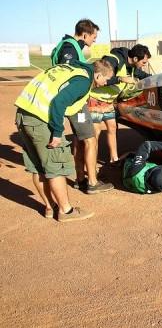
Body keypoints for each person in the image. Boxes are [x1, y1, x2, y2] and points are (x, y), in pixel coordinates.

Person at [14, 59, 115, 222]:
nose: (106, 82)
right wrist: (56, 131)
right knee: (55, 166)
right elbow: (59, 102)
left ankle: (50, 207)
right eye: (106, 79)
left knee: (38, 167)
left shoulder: (69, 69)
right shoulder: (82, 81)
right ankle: (65, 211)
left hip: (24, 113)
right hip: (41, 119)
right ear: (97, 75)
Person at [51, 19, 113, 194]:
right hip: (74, 102)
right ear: (85, 34)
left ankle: (80, 179)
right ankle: (92, 182)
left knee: (80, 139)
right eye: (93, 37)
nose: (94, 40)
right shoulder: (70, 47)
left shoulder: (69, 45)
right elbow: (67, 67)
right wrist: (88, 68)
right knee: (90, 140)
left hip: (73, 101)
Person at [87, 45, 153, 165]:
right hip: (95, 100)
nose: (144, 65)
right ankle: (92, 162)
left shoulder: (132, 67)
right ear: (135, 59)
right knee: (95, 133)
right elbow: (98, 77)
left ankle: (114, 159)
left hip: (109, 102)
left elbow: (142, 75)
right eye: (143, 62)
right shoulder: (114, 60)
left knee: (112, 128)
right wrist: (121, 79)